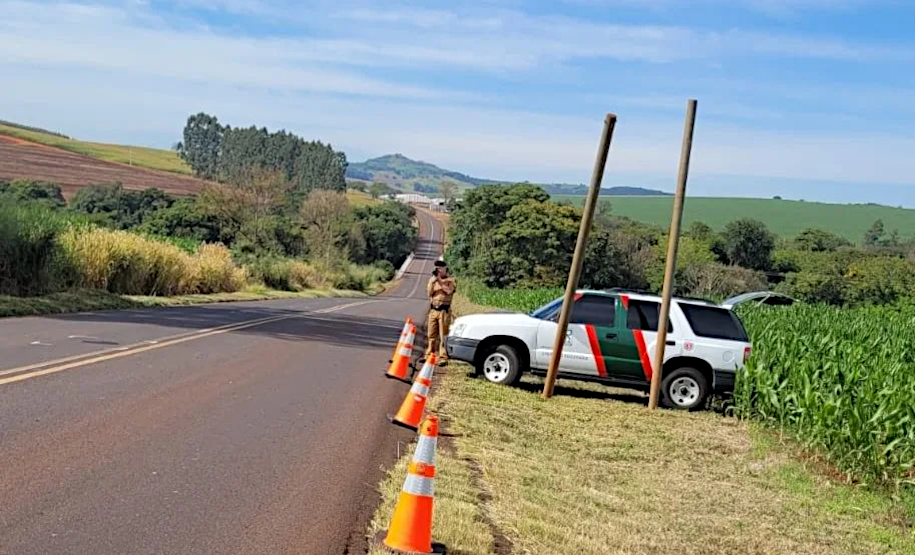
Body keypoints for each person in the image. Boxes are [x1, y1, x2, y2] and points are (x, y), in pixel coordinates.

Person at [426, 260, 456, 362]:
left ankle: (443, 356)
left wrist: (439, 281)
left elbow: (449, 291)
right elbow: (429, 293)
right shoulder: (432, 280)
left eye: (440, 268)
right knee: (431, 333)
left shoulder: (450, 280)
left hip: (444, 310)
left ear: (445, 268)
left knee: (443, 334)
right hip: (434, 309)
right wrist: (433, 282)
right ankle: (430, 353)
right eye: (436, 268)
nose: (438, 270)